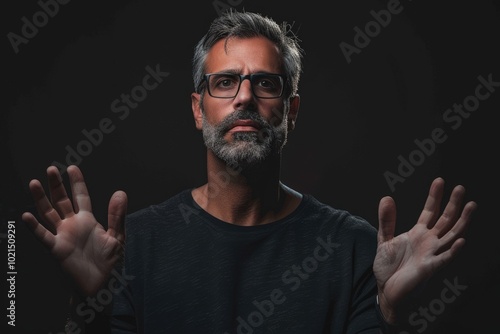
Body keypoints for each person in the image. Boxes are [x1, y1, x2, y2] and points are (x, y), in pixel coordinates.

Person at [22, 9, 477, 334]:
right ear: (198, 110)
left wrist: (395, 317)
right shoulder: (130, 247)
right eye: (225, 82)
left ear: (291, 111)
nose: (244, 98)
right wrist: (88, 308)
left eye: (265, 82)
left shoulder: (355, 248)